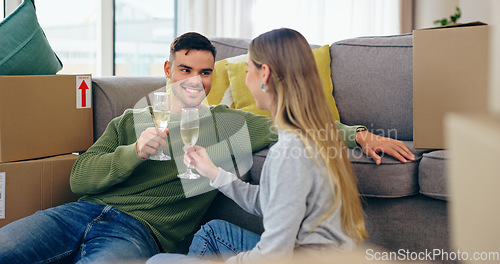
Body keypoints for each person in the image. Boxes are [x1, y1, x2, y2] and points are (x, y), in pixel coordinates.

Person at [0, 32, 413, 264]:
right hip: (81, 211)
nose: (195, 81)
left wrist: (359, 134)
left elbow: (298, 122)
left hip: (142, 233)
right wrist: (133, 152)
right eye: (185, 70)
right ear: (168, 70)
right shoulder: (131, 118)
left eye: (205, 72)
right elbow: (79, 177)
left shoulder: (229, 124)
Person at [146, 28, 369, 264]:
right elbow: (269, 202)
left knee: (157, 261)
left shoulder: (290, 151)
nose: (245, 79)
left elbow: (274, 255)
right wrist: (214, 173)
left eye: (247, 70)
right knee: (213, 231)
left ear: (265, 75)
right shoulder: (309, 134)